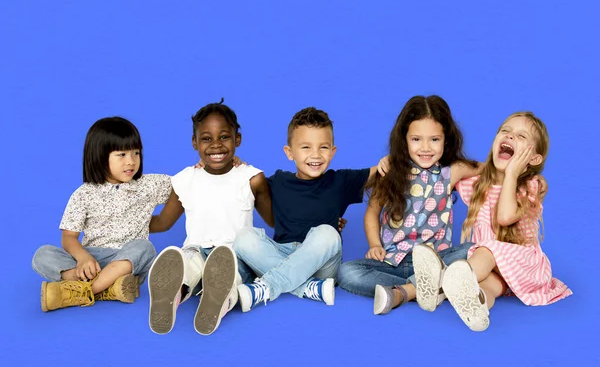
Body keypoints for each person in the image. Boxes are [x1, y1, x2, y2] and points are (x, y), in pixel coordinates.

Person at [337, 95, 481, 315]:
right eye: (416, 139)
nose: (425, 147)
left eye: (434, 139)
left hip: (437, 259)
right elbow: (372, 212)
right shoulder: (391, 171)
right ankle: (430, 287)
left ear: (446, 140)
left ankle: (408, 291)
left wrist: (528, 172)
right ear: (404, 139)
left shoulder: (453, 171)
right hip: (392, 262)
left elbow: (489, 168)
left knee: (478, 251)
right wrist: (375, 244)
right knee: (347, 273)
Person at [147, 100, 273, 335]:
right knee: (187, 262)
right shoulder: (186, 179)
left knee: (232, 275)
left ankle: (221, 299)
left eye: (224, 137)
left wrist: (318, 219)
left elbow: (276, 221)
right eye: (206, 139)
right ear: (195, 143)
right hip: (196, 248)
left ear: (238, 139)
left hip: (234, 255)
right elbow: (163, 222)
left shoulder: (251, 178)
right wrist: (126, 224)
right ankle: (174, 294)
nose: (216, 145)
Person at [233, 107, 377, 311]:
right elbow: (246, 182)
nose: (316, 155)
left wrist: (391, 161)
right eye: (306, 147)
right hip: (283, 254)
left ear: (333, 151)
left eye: (324, 147)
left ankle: (267, 286)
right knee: (243, 237)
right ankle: (309, 288)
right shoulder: (279, 181)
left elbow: (381, 173)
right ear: (289, 152)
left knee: (328, 233)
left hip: (322, 264)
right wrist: (235, 165)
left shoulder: (341, 180)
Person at [444, 112, 572, 331]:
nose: (510, 136)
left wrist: (512, 173)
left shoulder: (530, 187)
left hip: (524, 266)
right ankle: (478, 308)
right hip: (498, 273)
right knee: (487, 287)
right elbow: (453, 171)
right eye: (505, 131)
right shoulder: (477, 185)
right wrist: (482, 167)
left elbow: (504, 217)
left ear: (534, 159)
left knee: (486, 250)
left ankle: (450, 281)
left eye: (521, 136)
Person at [32, 117, 171, 312]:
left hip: (126, 261)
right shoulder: (84, 194)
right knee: (42, 255)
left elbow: (186, 184)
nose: (131, 161)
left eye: (136, 153)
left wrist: (202, 168)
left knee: (145, 247)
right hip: (91, 260)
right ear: (99, 156)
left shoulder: (148, 185)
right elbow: (69, 237)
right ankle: (110, 288)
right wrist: (83, 258)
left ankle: (87, 290)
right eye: (121, 154)